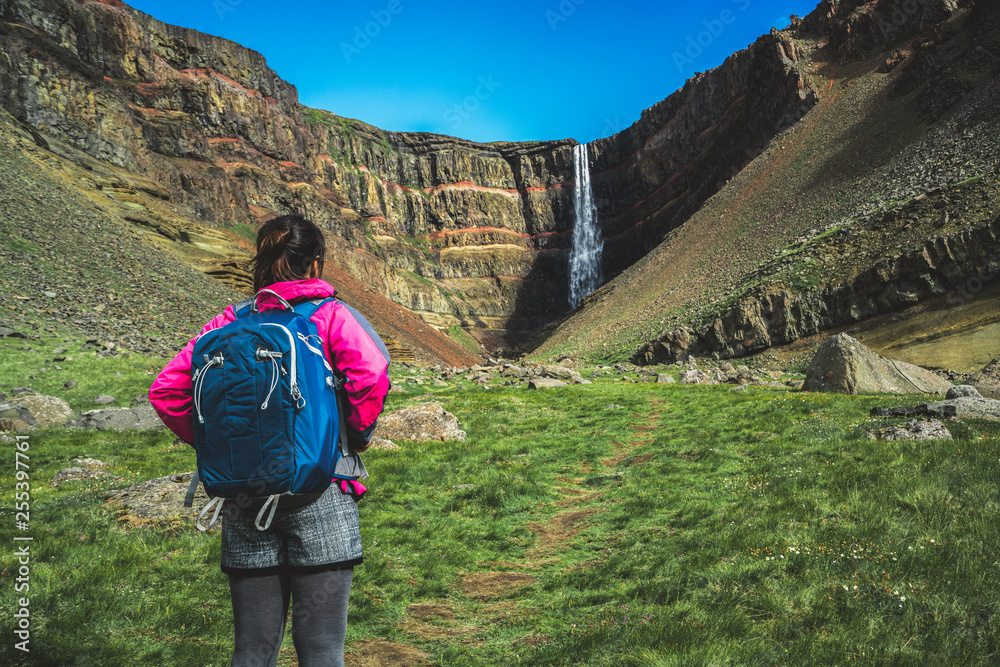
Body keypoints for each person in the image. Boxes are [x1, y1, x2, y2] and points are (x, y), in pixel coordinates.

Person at [149, 214, 390, 667]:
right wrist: (355, 436)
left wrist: (220, 446)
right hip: (321, 490)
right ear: (315, 264)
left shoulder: (230, 321)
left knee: (252, 651)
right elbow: (370, 375)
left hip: (243, 497)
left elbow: (166, 391)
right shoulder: (331, 315)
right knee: (320, 649)